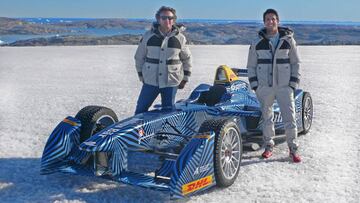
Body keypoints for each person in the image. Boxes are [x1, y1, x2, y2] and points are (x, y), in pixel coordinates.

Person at [246, 9, 301, 162]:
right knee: (267, 118)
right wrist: (256, 86)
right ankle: (268, 146)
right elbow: (251, 66)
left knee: (289, 118)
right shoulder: (257, 43)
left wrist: (292, 84)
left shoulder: (288, 41)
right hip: (265, 88)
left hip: (284, 87)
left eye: (273, 19)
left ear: (278, 21)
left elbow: (295, 63)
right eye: (268, 19)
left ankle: (293, 149)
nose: (271, 21)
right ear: (264, 22)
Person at [134, 6, 192, 114]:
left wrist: (185, 78)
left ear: (174, 20)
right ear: (158, 19)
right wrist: (142, 76)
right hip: (150, 81)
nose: (167, 20)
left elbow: (187, 59)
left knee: (168, 112)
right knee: (141, 110)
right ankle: (139, 131)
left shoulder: (180, 38)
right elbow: (139, 57)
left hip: (171, 81)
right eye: (164, 18)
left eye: (170, 18)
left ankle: (165, 131)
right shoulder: (148, 36)